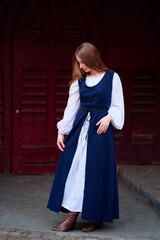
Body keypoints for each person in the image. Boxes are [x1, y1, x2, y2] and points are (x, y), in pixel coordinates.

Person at [47, 42, 124, 232]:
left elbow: (118, 105)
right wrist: (61, 131)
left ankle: (95, 217)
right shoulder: (78, 81)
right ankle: (71, 216)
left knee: (96, 173)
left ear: (92, 59)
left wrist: (109, 116)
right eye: (78, 62)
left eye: (83, 62)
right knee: (75, 171)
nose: (80, 66)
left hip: (99, 132)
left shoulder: (112, 78)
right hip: (79, 130)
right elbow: (71, 109)